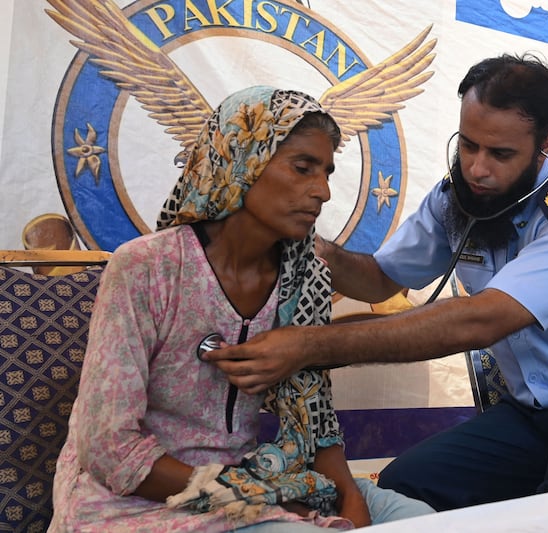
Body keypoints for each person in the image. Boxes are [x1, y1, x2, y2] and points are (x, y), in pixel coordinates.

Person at [200, 55, 548, 511]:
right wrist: (310, 246)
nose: (477, 169)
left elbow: (480, 320)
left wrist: (309, 346)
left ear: (544, 146)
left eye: (500, 154)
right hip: (533, 416)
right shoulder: (456, 199)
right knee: (402, 491)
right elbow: (377, 279)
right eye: (467, 144)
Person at [48, 85, 434, 533]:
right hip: (138, 499)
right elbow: (109, 448)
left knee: (422, 522)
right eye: (303, 168)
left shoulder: (304, 277)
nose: (323, 191)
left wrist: (348, 495)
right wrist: (255, 501)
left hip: (256, 479)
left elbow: (315, 417)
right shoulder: (146, 267)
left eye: (327, 172)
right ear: (242, 159)